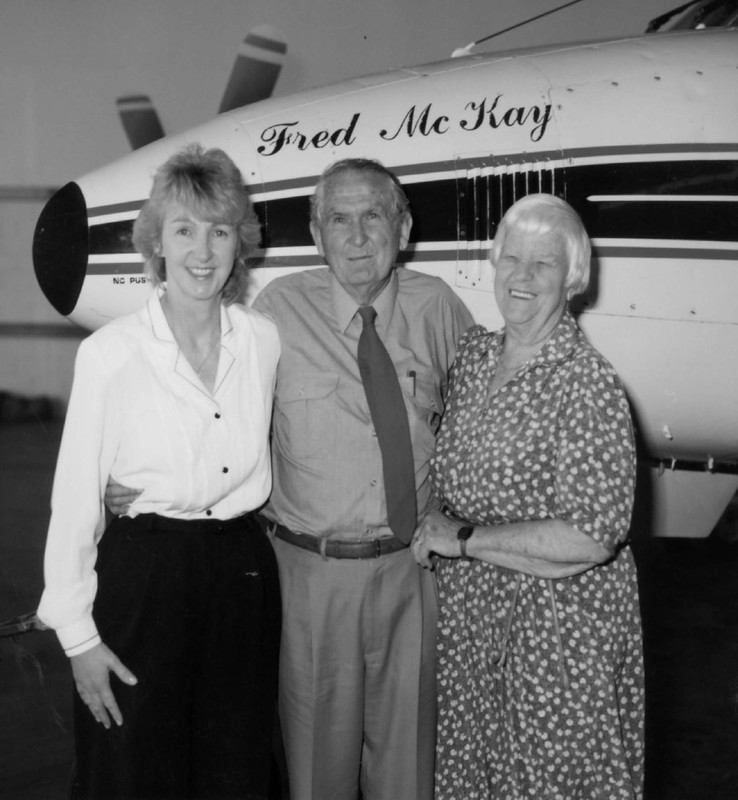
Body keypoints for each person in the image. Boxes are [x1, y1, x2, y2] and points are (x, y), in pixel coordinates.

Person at [37, 144, 282, 799]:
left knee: (233, 767)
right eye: (184, 230)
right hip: (144, 574)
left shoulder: (262, 341)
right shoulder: (110, 354)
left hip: (240, 573)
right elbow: (75, 502)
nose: (202, 252)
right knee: (132, 767)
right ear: (157, 244)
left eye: (219, 231)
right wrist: (78, 639)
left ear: (240, 244)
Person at [253, 158, 474, 800]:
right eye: (338, 220)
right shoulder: (275, 313)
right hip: (312, 582)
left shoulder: (440, 309)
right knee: (317, 776)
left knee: (409, 775)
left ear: (402, 228)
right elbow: (216, 416)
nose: (356, 237)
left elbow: (487, 429)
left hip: (414, 577)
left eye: (372, 216)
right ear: (317, 235)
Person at [412, 194, 644, 799]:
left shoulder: (586, 381)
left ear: (572, 279)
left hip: (557, 642)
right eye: (510, 258)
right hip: (473, 630)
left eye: (542, 264)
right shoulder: (476, 356)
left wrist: (462, 541)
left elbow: (591, 537)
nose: (521, 276)